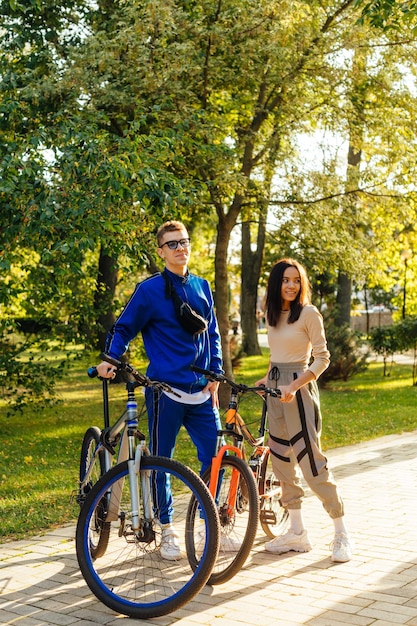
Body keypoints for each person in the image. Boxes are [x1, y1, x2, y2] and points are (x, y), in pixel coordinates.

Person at [96, 220, 234, 560]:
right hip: (164, 391)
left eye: (184, 242)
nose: (180, 248)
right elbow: (124, 327)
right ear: (160, 251)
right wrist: (110, 358)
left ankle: (208, 526)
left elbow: (213, 334)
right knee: (161, 461)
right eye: (172, 244)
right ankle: (167, 529)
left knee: (215, 457)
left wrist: (215, 372)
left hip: (202, 392)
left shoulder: (202, 286)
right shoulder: (150, 290)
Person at [255, 258, 353, 563]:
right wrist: (267, 376)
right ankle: (297, 533)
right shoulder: (273, 315)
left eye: (296, 280)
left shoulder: (309, 314)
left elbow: (322, 359)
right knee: (282, 460)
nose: (291, 285)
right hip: (275, 391)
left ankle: (341, 532)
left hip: (298, 392)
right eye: (286, 279)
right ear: (277, 283)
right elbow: (275, 354)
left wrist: (294, 385)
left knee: (311, 461)